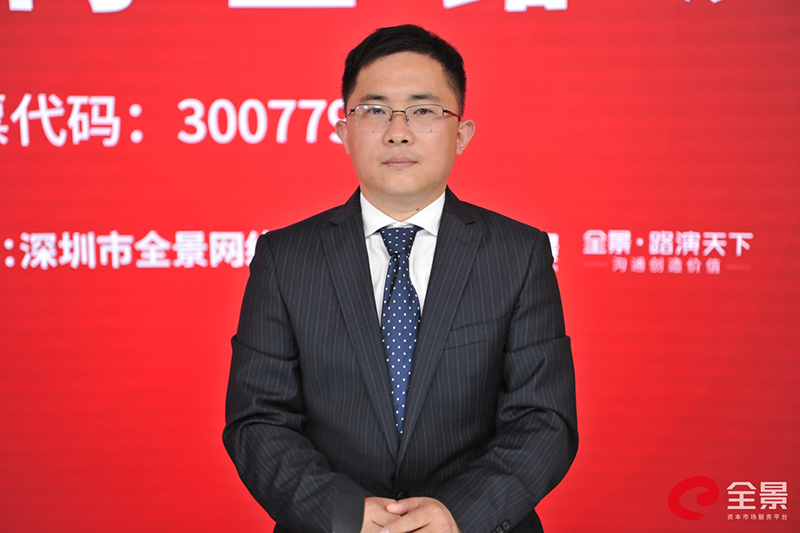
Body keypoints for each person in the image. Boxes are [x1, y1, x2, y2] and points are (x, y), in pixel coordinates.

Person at [223, 24, 578, 533]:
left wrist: (459, 514)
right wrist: (344, 513)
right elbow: (258, 419)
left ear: (461, 134)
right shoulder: (286, 257)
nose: (398, 131)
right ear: (344, 132)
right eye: (374, 110)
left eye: (423, 110)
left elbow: (544, 419)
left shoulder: (518, 253)